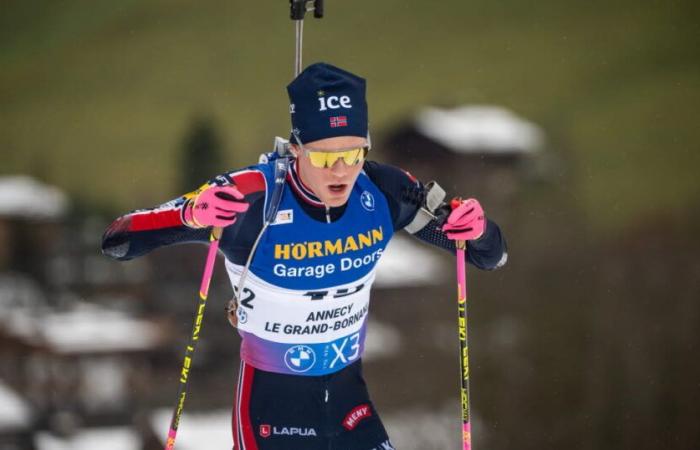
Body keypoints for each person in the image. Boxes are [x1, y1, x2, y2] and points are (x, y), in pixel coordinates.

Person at [102, 62, 507, 450]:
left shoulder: (383, 192)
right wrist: (189, 214)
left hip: (351, 406)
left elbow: (488, 255)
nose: (341, 172)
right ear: (295, 149)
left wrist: (478, 228)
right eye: (325, 157)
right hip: (273, 411)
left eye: (353, 154)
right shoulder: (251, 198)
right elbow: (118, 240)